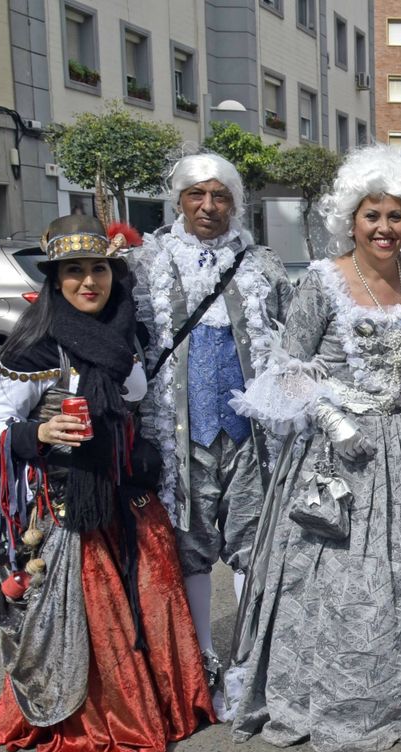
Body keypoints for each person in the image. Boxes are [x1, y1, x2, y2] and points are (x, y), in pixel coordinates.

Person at [225, 144, 401, 752]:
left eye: (394, 216)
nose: (384, 229)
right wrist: (332, 419)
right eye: (372, 216)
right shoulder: (322, 280)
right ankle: (327, 697)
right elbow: (283, 367)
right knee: (336, 581)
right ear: (350, 220)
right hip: (339, 453)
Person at [0, 214, 213, 752]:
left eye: (98, 269)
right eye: (74, 271)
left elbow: (138, 405)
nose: (88, 282)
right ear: (55, 280)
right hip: (67, 502)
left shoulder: (130, 333)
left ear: (113, 274)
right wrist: (40, 432)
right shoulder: (34, 345)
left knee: (152, 598)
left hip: (127, 492)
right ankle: (97, 715)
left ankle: (162, 702)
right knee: (89, 615)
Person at [131, 152, 293, 719]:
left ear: (234, 203)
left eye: (219, 196)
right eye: (196, 194)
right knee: (191, 546)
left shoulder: (262, 265)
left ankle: (251, 666)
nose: (208, 205)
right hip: (180, 435)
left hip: (249, 435)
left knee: (253, 542)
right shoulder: (145, 265)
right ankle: (201, 665)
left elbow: (291, 342)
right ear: (178, 200)